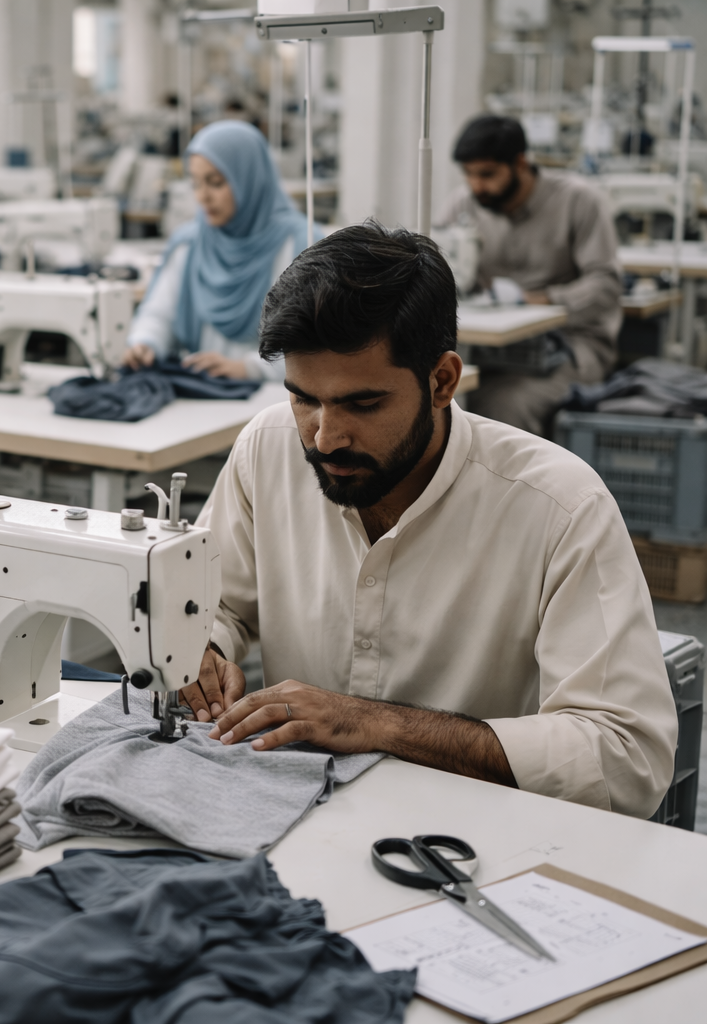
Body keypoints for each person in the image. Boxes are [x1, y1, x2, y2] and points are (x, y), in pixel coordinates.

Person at [180, 222, 675, 818]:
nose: (325, 437)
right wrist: (201, 646)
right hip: (299, 810)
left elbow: (627, 757)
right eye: (304, 398)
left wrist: (376, 724)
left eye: (363, 403)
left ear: (442, 381)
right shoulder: (268, 448)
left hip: (479, 831)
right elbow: (216, 602)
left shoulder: (561, 508)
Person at [440, 114, 623, 437]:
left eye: (487, 174)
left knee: (504, 406)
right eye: (468, 174)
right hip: (492, 348)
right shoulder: (466, 204)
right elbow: (436, 262)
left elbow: (606, 286)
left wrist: (539, 300)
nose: (476, 185)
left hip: (570, 345)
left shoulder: (578, 201)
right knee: (435, 397)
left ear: (520, 163)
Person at [124, 120, 312, 381]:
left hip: (274, 394)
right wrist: (145, 343)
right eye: (195, 183)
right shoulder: (189, 243)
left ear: (248, 178)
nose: (202, 196)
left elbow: (313, 346)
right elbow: (159, 314)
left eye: (215, 182)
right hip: (203, 389)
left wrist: (249, 368)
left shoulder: (301, 245)